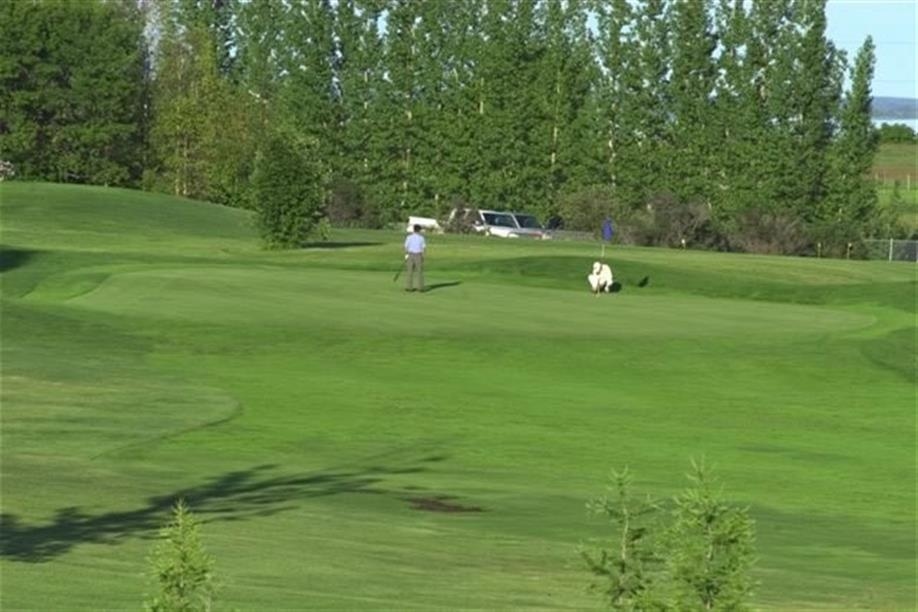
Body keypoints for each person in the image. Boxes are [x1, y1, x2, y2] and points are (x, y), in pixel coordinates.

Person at [404, 224, 426, 292]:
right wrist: (423, 256)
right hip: (418, 255)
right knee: (419, 272)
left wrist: (406, 254)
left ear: (413, 229)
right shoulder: (421, 238)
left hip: (410, 254)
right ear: (419, 230)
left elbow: (406, 247)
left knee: (410, 271)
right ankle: (420, 288)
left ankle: (409, 288)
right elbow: (423, 248)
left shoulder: (409, 237)